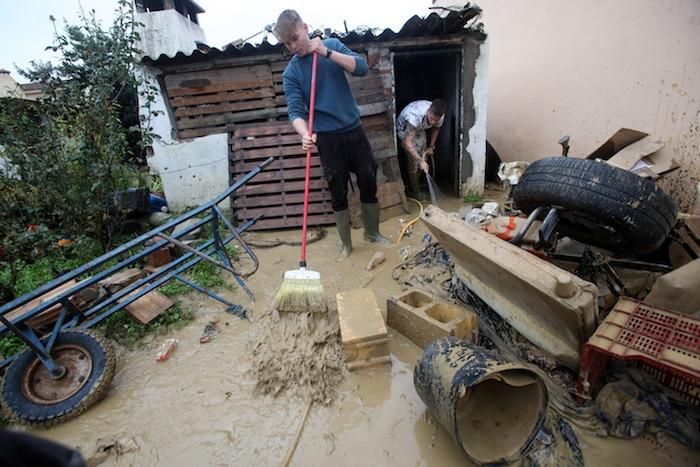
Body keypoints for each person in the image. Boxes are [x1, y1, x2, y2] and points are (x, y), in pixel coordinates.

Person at [274, 9, 389, 258]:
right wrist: (304, 134)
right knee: (337, 189)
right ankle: (346, 244)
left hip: (353, 129)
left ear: (305, 27)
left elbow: (360, 68)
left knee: (368, 177)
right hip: (327, 137)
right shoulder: (291, 73)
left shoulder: (332, 46)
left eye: (295, 37)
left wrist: (325, 52)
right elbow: (295, 111)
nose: (293, 46)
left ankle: (372, 232)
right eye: (287, 43)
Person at [396, 99, 446, 198]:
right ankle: (414, 190)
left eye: (436, 120)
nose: (433, 122)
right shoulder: (414, 116)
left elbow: (436, 128)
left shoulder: (440, 116)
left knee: (424, 156)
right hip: (406, 128)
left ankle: (417, 182)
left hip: (420, 127)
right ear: (428, 111)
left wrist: (431, 146)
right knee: (414, 161)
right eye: (431, 118)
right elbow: (407, 142)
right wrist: (419, 160)